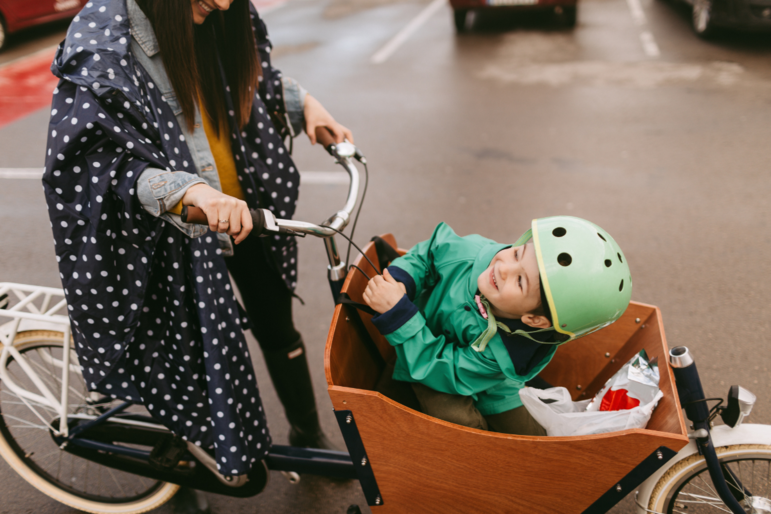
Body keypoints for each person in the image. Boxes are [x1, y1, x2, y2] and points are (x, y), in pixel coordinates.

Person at [42, 0, 351, 479]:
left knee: (277, 325)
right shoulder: (105, 37)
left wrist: (304, 103)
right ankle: (184, 467)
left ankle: (307, 436)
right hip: (172, 229)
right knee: (185, 351)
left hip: (241, 209)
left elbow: (253, 78)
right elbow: (93, 162)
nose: (225, 2)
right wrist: (186, 190)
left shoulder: (224, 14)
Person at [362, 216, 632, 435]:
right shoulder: (471, 256)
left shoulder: (508, 350)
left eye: (520, 281)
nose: (504, 267)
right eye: (517, 254)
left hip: (460, 369)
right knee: (456, 422)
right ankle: (473, 461)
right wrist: (402, 281)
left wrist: (400, 316)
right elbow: (428, 255)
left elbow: (453, 371)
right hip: (421, 352)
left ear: (535, 320)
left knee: (531, 440)